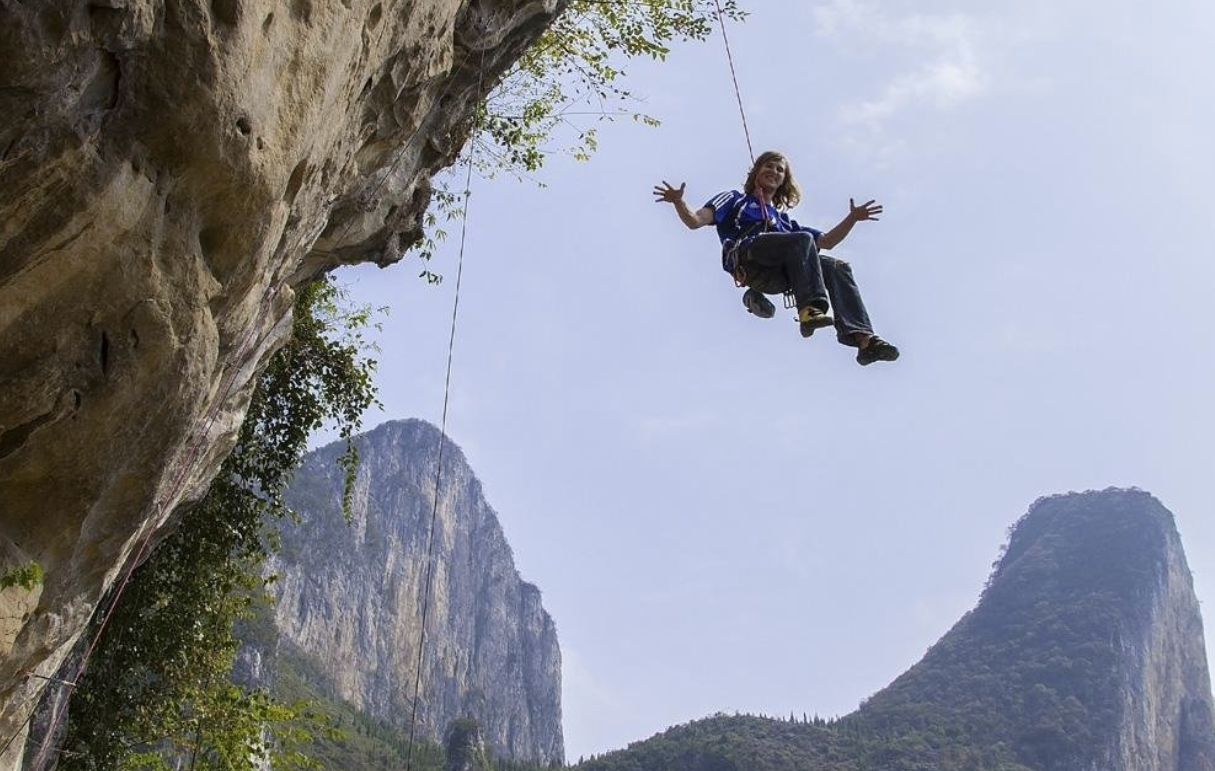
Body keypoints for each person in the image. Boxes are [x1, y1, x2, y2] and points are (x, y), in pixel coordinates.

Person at [653, 150, 899, 366]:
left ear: (784, 180)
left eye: (780, 169)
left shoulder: (784, 222)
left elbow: (826, 242)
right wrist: (678, 202)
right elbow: (695, 221)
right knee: (802, 240)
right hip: (748, 259)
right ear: (756, 172)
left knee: (837, 266)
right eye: (768, 166)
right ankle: (809, 310)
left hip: (778, 277)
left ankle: (865, 341)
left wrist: (852, 219)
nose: (774, 171)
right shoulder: (734, 199)